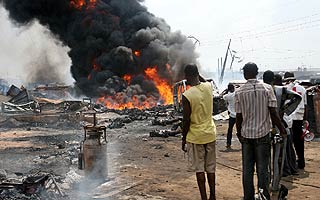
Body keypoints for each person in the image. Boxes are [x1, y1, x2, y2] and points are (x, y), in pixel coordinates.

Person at [235, 63, 286, 200]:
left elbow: (238, 117)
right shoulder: (268, 88)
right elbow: (273, 113)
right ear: (257, 73)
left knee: (247, 171)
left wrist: (238, 133)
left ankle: (248, 197)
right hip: (263, 135)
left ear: (245, 74)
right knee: (263, 170)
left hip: (246, 136)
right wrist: (282, 130)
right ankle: (264, 197)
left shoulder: (239, 92)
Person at [181, 64, 217, 200]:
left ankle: (204, 198)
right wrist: (196, 74)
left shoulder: (187, 95)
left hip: (195, 137)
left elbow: (186, 120)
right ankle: (213, 195)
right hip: (210, 134)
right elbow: (204, 80)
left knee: (199, 169)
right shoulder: (209, 87)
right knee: (211, 168)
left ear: (187, 76)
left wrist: (184, 139)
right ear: (198, 73)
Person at [273, 74, 300, 176]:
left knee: (281, 150)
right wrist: (286, 110)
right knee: (288, 148)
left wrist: (282, 111)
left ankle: (285, 170)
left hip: (281, 123)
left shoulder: (280, 91)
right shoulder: (284, 90)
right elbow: (297, 98)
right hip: (287, 121)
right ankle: (292, 168)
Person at [283, 72, 308, 169]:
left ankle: (290, 163)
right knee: (299, 142)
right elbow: (305, 106)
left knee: (289, 143)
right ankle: (301, 161)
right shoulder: (302, 89)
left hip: (288, 118)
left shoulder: (285, 89)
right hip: (299, 118)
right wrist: (304, 120)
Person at [223, 84, 236, 149]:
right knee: (241, 130)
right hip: (238, 114)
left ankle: (228, 143)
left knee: (230, 130)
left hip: (232, 115)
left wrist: (226, 91)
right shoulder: (236, 94)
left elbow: (223, 96)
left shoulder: (227, 96)